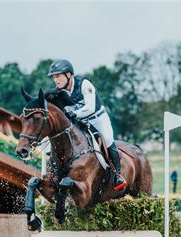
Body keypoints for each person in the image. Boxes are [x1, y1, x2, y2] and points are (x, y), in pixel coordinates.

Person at [47, 59, 127, 191]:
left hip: (98, 119)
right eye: (54, 77)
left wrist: (75, 114)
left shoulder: (84, 84)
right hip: (80, 122)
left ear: (68, 74)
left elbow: (90, 108)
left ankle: (117, 175)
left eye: (58, 76)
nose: (55, 80)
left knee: (107, 139)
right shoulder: (58, 92)